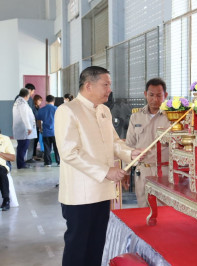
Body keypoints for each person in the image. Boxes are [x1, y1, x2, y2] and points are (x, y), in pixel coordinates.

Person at [55, 66, 143, 266]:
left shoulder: (103, 110)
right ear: (88, 85)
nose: (109, 89)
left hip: (102, 191)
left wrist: (130, 153)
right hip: (79, 195)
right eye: (105, 84)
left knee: (96, 245)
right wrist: (106, 171)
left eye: (109, 85)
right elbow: (70, 152)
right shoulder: (67, 111)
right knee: (77, 248)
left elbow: (113, 142)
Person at [125, 78, 170, 207]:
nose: (155, 99)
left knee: (166, 213)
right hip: (142, 172)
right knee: (144, 210)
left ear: (165, 95)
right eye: (151, 95)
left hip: (165, 172)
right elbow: (129, 146)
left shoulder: (172, 117)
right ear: (145, 94)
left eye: (159, 95)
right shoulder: (136, 117)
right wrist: (127, 172)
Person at [12, 88, 37, 169]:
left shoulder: (19, 102)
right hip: (23, 129)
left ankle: (21, 163)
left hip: (21, 128)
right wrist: (29, 128)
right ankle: (21, 164)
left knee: (21, 146)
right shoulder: (22, 103)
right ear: (27, 95)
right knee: (23, 146)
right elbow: (24, 116)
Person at [38, 95, 59, 167]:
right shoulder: (57, 109)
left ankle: (48, 163)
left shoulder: (41, 110)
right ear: (54, 101)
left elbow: (39, 120)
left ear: (46, 101)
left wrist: (40, 128)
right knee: (57, 148)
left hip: (46, 132)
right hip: (56, 132)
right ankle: (59, 162)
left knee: (47, 148)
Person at [0, 131, 16, 211]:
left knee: (1, 172)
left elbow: (12, 158)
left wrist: (0, 154)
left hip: (1, 165)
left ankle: (6, 199)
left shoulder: (4, 139)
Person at [24, 83, 37, 164]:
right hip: (28, 124)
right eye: (33, 91)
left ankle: (26, 158)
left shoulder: (19, 98)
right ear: (29, 90)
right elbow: (31, 112)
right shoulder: (27, 99)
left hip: (24, 124)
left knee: (25, 142)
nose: (33, 93)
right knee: (28, 142)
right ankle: (27, 158)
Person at [32, 95, 43, 161]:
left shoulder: (38, 107)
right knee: (34, 141)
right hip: (34, 126)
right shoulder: (33, 107)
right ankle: (33, 155)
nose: (40, 102)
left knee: (36, 141)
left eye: (41, 101)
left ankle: (34, 155)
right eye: (39, 100)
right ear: (36, 100)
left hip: (37, 126)